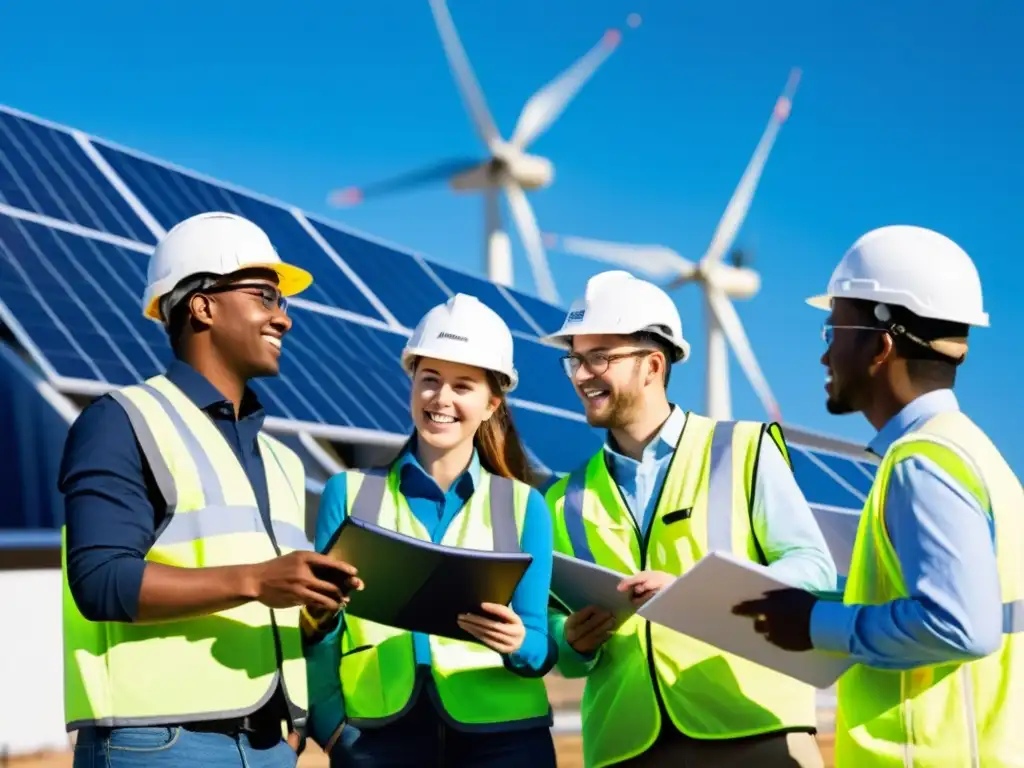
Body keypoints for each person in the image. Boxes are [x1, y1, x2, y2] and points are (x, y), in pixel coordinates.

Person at [59, 211, 363, 768]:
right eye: (265, 296)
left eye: (282, 302)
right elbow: (99, 580)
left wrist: (314, 604)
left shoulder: (281, 460)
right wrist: (257, 580)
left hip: (271, 745)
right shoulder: (122, 420)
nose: (284, 319)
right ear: (202, 305)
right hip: (159, 745)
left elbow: (269, 605)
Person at [735, 225, 1024, 766]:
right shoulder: (978, 457)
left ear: (880, 345)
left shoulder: (924, 462)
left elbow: (962, 626)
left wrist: (814, 624)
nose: (824, 357)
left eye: (832, 333)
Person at [542, 269, 837, 768]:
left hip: (753, 728)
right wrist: (570, 641)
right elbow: (556, 636)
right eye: (575, 359)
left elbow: (813, 570)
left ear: (652, 365)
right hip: (626, 744)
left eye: (599, 358)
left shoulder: (743, 450)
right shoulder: (562, 497)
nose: (581, 374)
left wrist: (697, 593)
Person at [303, 292, 558, 767]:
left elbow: (542, 645)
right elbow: (320, 629)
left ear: (491, 404)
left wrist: (519, 643)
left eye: (463, 386)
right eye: (430, 380)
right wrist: (330, 724)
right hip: (376, 737)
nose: (442, 398)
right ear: (411, 385)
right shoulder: (348, 492)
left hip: (505, 740)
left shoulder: (525, 507)